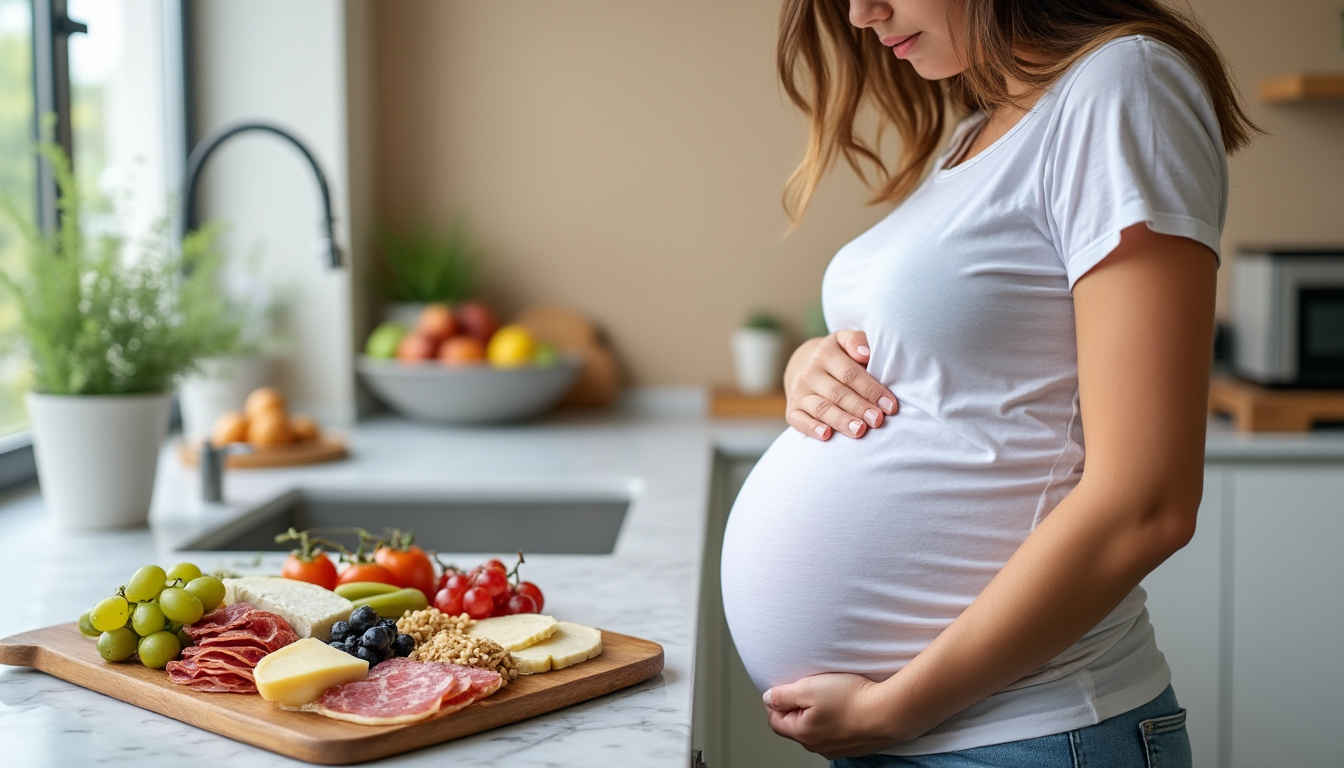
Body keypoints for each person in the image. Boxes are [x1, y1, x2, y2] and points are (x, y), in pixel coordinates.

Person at [718, 0, 1258, 765]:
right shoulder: (977, 126)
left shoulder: (1121, 84)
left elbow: (1148, 503)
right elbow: (972, 361)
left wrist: (894, 708)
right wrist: (816, 363)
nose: (861, 14)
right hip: (929, 738)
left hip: (1029, 734)